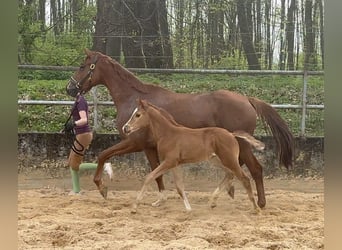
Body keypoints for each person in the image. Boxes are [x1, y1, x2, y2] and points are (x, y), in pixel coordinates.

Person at [64, 87, 113, 194]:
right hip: (81, 134)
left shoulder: (81, 101)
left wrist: (74, 124)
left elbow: (84, 120)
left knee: (75, 164)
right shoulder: (78, 100)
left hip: (83, 135)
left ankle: (104, 166)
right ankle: (76, 190)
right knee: (72, 162)